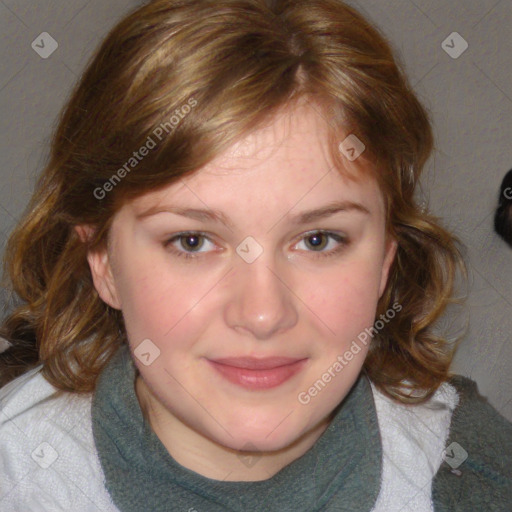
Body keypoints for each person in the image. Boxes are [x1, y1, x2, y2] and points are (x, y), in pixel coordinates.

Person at [0, 1, 511, 510]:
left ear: (384, 262)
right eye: (192, 242)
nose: (263, 313)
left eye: (318, 240)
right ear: (104, 263)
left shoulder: (471, 473)